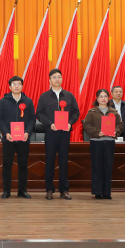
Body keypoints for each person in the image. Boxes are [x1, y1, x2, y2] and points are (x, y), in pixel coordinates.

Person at [35, 69, 80, 200]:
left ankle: (64, 190)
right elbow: (39, 113)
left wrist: (70, 123)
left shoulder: (69, 95)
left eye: (59, 77)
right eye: (54, 77)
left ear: (62, 79)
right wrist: (50, 123)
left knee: (63, 161)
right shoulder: (44, 96)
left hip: (65, 133)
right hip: (51, 132)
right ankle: (49, 189)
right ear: (49, 80)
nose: (57, 79)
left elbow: (76, 112)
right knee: (50, 161)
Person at [0, 76, 36, 199]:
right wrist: (6, 132)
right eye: (14, 84)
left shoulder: (28, 101)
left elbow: (32, 119)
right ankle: (6, 191)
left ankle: (22, 190)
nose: (16, 86)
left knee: (23, 165)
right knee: (7, 165)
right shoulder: (4, 101)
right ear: (10, 87)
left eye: (19, 84)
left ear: (22, 86)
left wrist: (27, 132)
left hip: (23, 138)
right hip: (8, 138)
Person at [82, 89, 123, 200]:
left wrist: (115, 132)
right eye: (101, 96)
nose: (103, 98)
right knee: (97, 167)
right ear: (97, 98)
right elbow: (86, 125)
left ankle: (106, 192)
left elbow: (120, 125)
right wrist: (97, 132)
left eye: (105, 96)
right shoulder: (92, 112)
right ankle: (97, 192)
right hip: (96, 142)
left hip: (109, 142)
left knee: (108, 167)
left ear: (108, 98)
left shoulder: (114, 112)